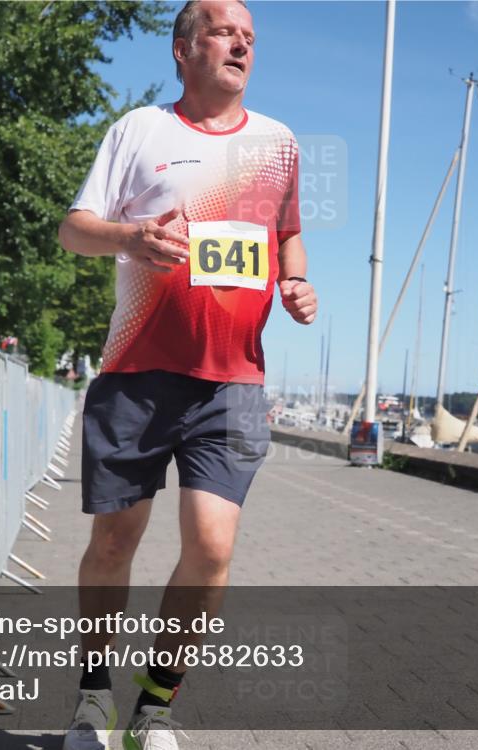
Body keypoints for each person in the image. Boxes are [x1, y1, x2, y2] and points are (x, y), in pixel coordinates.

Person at [57, 2, 316, 748]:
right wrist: (129, 236)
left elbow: (287, 235)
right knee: (115, 541)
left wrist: (296, 281)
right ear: (182, 48)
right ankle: (93, 698)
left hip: (234, 383)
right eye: (223, 32)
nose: (241, 45)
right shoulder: (140, 130)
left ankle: (156, 708)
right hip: (137, 372)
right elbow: (74, 230)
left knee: (212, 548)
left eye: (250, 38)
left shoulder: (278, 144)